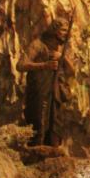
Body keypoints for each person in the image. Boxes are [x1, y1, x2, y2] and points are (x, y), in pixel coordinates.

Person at [18, 17, 70, 146]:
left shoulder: (60, 50)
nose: (66, 33)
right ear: (54, 30)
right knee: (38, 127)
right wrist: (44, 65)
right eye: (63, 30)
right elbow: (21, 65)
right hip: (39, 94)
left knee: (54, 131)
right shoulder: (38, 45)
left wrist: (62, 58)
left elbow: (71, 71)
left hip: (54, 96)